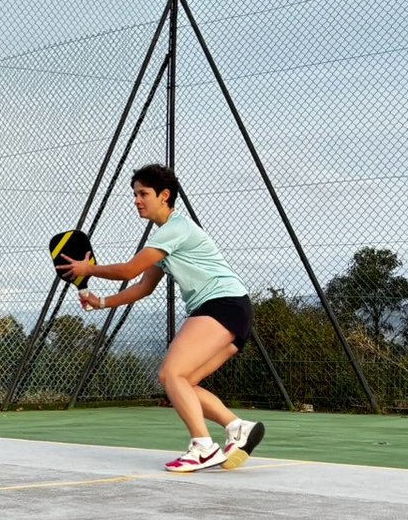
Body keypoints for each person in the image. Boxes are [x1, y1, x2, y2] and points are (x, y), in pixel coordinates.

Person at [55, 164, 265, 473]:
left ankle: (203, 448)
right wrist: (100, 302)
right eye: (135, 194)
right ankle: (238, 428)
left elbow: (129, 270)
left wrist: (88, 270)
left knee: (170, 374)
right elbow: (143, 286)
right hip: (234, 310)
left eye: (143, 194)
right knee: (184, 383)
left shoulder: (175, 229)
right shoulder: (165, 238)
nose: (136, 200)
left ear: (164, 195)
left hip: (221, 305)